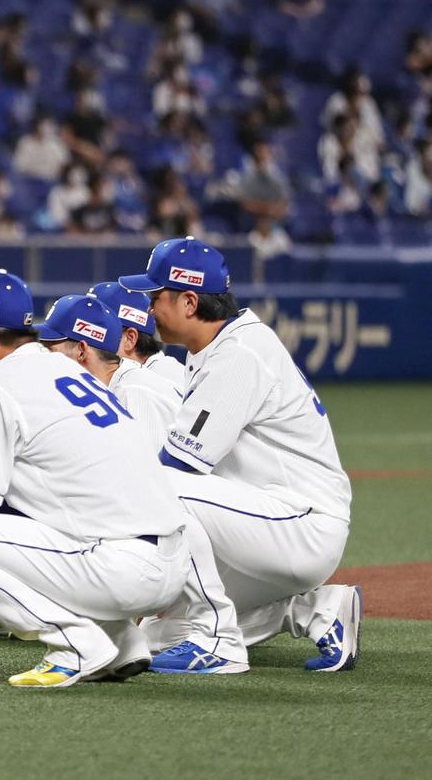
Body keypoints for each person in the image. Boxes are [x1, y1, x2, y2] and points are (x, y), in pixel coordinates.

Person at [0, 270, 190, 688]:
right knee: (37, 511)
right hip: (171, 560)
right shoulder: (67, 370)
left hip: (122, 567)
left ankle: (74, 643)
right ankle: (123, 642)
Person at [119, 237, 359, 674]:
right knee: (158, 631)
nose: (150, 307)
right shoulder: (216, 346)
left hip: (299, 522)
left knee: (165, 489)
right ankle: (317, 610)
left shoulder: (240, 353)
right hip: (265, 520)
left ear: (189, 302)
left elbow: (177, 466)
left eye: (157, 297)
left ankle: (219, 645)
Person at [36, 294, 182, 441]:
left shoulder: (133, 392)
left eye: (50, 349)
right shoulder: (108, 385)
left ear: (81, 351)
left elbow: (149, 462)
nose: (43, 356)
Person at [88, 281, 187, 389]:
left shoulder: (144, 387)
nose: (84, 345)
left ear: (130, 339)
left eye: (96, 333)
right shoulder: (138, 377)